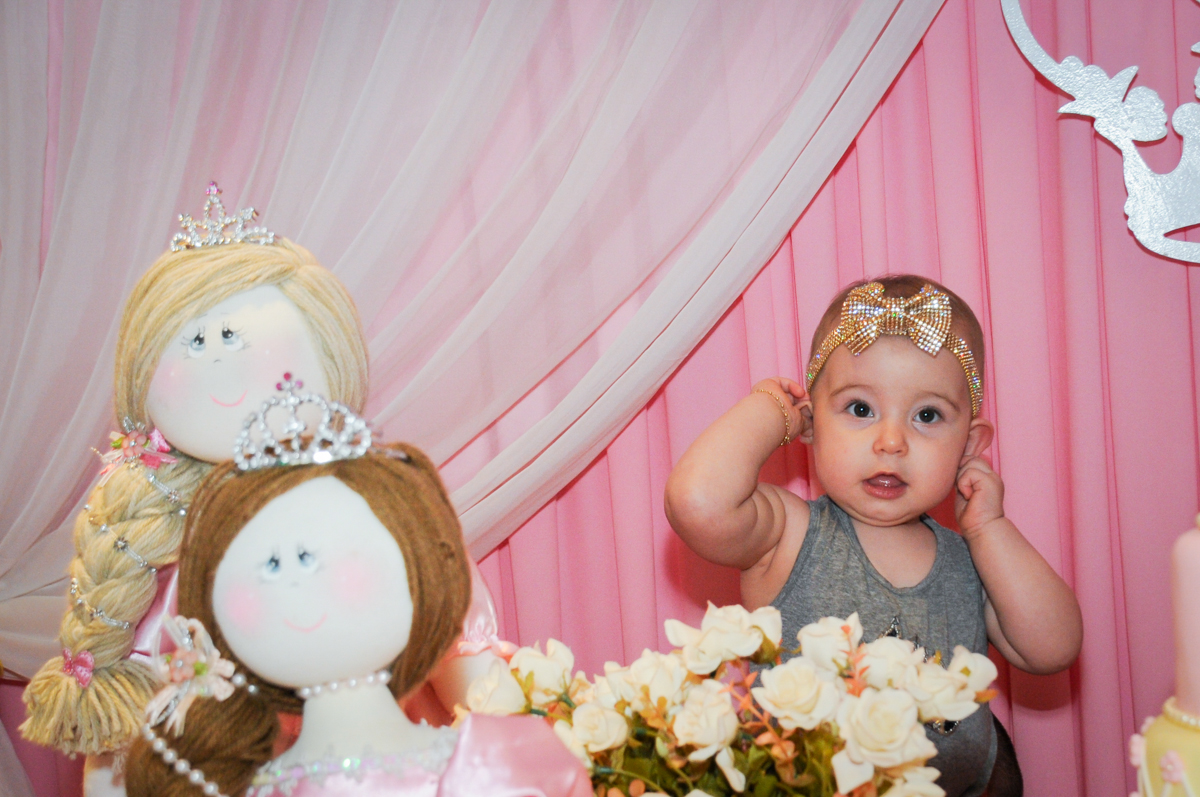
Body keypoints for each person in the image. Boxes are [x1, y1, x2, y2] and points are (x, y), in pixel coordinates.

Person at [20, 185, 504, 795]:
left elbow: (463, 657)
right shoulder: (155, 550)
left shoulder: (372, 509)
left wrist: (509, 739)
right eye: (195, 341)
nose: (218, 359)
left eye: (234, 335)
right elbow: (123, 737)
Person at [663, 275, 1082, 797]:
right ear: (811, 423)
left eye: (927, 415)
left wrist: (989, 528)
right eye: (860, 409)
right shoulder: (789, 535)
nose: (891, 442)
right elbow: (697, 503)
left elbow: (1053, 648)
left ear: (969, 445)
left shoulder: (973, 559)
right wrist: (770, 410)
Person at [122, 400, 590, 797]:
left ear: (420, 569)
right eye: (269, 564)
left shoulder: (510, 764)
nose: (294, 579)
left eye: (316, 554)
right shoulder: (221, 787)